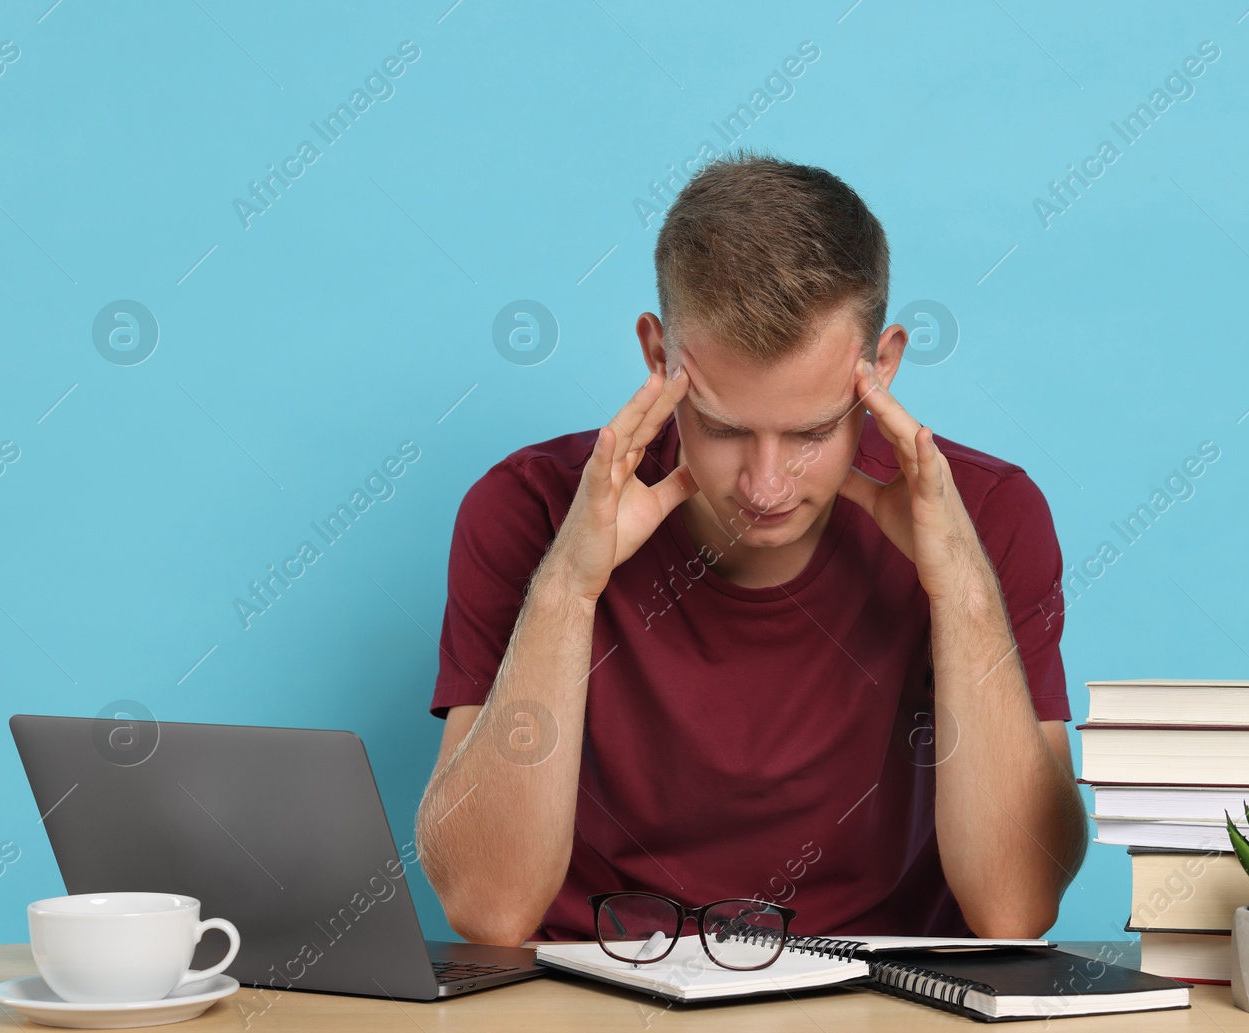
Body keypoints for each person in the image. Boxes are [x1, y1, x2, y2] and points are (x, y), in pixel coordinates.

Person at [415, 152, 1087, 946]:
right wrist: (567, 584)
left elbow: (1015, 907)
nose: (766, 486)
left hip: (881, 1010)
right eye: (726, 429)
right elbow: (489, 908)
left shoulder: (989, 514)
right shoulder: (526, 509)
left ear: (882, 366)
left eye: (812, 432)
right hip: (590, 1001)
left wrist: (962, 594)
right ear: (660, 358)